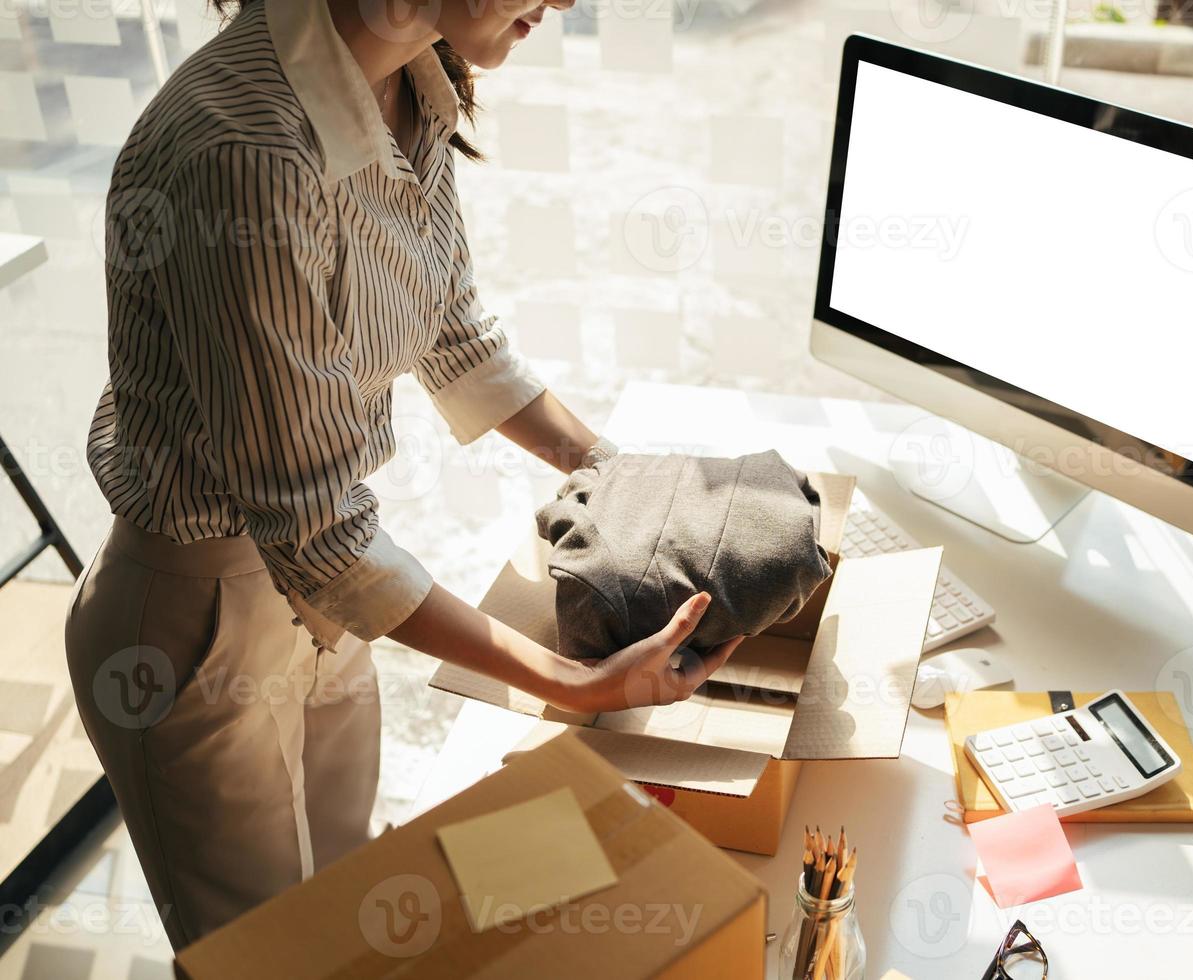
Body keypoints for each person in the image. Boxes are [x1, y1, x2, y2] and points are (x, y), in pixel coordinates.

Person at [64, 0, 741, 950]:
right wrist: (569, 682)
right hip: (196, 625)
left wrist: (626, 479)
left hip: (328, 605)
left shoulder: (412, 76)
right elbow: (319, 533)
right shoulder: (247, 152)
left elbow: (453, 333)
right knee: (270, 961)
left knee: (348, 919)